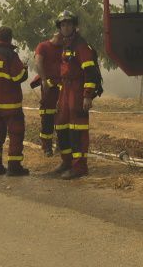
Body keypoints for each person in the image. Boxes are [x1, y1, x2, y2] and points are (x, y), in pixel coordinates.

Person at [50, 10, 101, 180]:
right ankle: (67, 162)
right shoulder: (66, 45)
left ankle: (79, 167)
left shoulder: (81, 45)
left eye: (69, 24)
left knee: (77, 130)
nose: (66, 27)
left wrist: (87, 95)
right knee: (62, 126)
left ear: (74, 26)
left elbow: (90, 71)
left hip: (78, 91)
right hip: (65, 90)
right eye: (63, 25)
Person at [0, 27, 29, 176]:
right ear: (10, 38)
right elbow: (18, 77)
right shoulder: (10, 55)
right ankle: (14, 167)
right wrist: (25, 68)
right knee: (16, 133)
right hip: (10, 104)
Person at [32, 31, 64, 156]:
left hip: (63, 86)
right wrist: (44, 80)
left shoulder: (65, 48)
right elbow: (38, 63)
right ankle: (47, 147)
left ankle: (61, 145)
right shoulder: (43, 46)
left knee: (62, 116)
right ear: (57, 36)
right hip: (48, 87)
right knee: (47, 116)